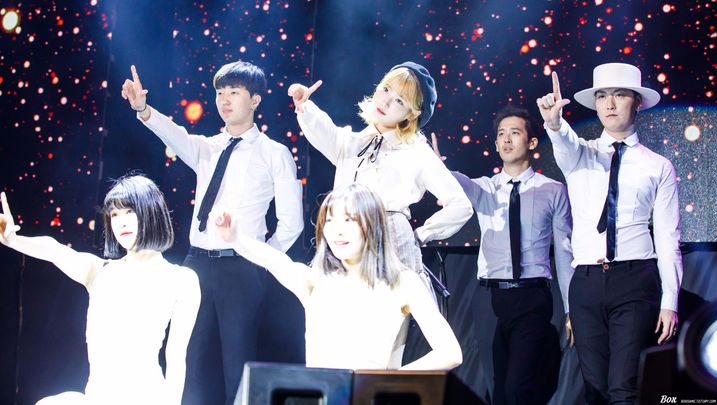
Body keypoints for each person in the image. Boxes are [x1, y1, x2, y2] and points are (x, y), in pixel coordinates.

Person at [121, 61, 303, 404]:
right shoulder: (208, 147)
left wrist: (260, 259)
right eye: (220, 93)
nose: (225, 100)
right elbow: (173, 133)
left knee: (237, 361)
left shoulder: (274, 153)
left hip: (242, 267)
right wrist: (143, 109)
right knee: (185, 355)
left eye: (234, 92)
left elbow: (292, 222)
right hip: (197, 264)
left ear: (255, 100)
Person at [288, 62, 473, 365]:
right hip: (345, 242)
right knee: (337, 335)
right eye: (386, 89)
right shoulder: (355, 141)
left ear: (411, 114)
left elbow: (460, 205)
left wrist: (421, 234)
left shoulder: (416, 151)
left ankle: (379, 388)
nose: (386, 101)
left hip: (390, 243)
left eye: (399, 100)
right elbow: (326, 133)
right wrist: (304, 107)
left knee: (384, 344)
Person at [536, 63, 683, 404]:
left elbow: (667, 238)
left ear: (637, 102)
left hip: (635, 279)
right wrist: (554, 123)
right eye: (602, 96)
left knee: (624, 387)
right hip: (586, 282)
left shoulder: (658, 166)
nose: (610, 104)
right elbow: (564, 143)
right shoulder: (580, 154)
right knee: (595, 390)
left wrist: (670, 301)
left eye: (619, 95)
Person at [214, 183, 462, 371]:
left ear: (372, 225)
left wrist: (386, 383)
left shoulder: (402, 283)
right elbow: (275, 260)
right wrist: (236, 239)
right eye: (330, 221)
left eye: (348, 220)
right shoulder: (316, 281)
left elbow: (450, 353)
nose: (337, 231)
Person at [0, 175, 200, 405]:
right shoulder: (99, 271)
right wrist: (14, 241)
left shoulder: (181, 280)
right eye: (114, 214)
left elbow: (176, 358)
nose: (121, 222)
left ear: (151, 213)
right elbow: (54, 250)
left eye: (129, 212)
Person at [433, 105, 574, 404]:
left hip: (532, 297)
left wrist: (570, 308)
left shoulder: (553, 190)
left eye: (515, 133)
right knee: (497, 388)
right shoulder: (485, 189)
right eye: (501, 134)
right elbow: (457, 183)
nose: (507, 140)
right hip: (489, 298)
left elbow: (564, 253)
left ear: (532, 142)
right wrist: (437, 169)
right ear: (496, 144)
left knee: (518, 387)